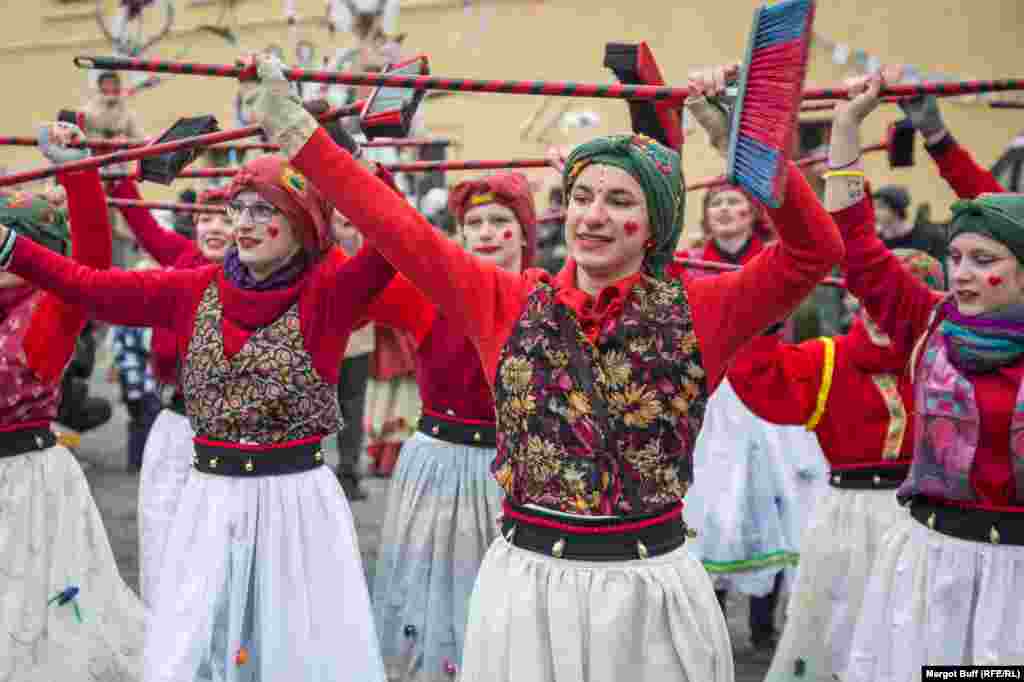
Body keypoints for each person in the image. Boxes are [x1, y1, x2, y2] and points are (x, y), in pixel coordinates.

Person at [247, 55, 845, 681]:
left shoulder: (703, 311)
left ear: (655, 226)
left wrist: (736, 142)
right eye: (582, 196)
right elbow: (397, 229)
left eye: (620, 200)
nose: (594, 215)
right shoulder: (504, 300)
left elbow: (814, 250)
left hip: (649, 594)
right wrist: (296, 133)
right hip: (529, 590)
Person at [0, 148, 415, 681]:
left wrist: (352, 171)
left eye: (265, 210)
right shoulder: (193, 289)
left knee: (293, 650)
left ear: (302, 224)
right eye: (239, 207)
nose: (244, 223)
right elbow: (89, 286)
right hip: (210, 497)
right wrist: (15, 248)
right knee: (197, 645)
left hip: (295, 502)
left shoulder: (330, 294)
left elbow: (394, 241)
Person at [823, 71, 1024, 678]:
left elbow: (999, 206)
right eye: (955, 257)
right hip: (934, 566)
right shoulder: (926, 321)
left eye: (983, 261)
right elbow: (854, 244)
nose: (960, 272)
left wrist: (939, 139)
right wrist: (844, 128)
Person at [724, 248, 944, 680]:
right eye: (870, 301)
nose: (879, 314)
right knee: (839, 632)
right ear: (853, 301)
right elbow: (760, 377)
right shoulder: (827, 359)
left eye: (893, 302)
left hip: (927, 524)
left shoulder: (945, 363)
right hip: (849, 521)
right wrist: (765, 310)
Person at [372, 172, 534, 680]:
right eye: (473, 223)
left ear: (526, 234)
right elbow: (378, 248)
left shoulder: (546, 297)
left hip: (512, 471)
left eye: (500, 221)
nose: (485, 232)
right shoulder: (423, 295)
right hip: (437, 467)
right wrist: (370, 180)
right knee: (429, 592)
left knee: (503, 600)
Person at [0, 122, 144, 681]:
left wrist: (78, 172)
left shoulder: (49, 311)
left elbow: (92, 258)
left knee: (33, 625)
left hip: (23, 485)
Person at [873, 184, 947, 262]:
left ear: (896, 209)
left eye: (880, 207)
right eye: (874, 207)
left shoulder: (929, 236)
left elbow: (945, 268)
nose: (874, 212)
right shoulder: (875, 242)